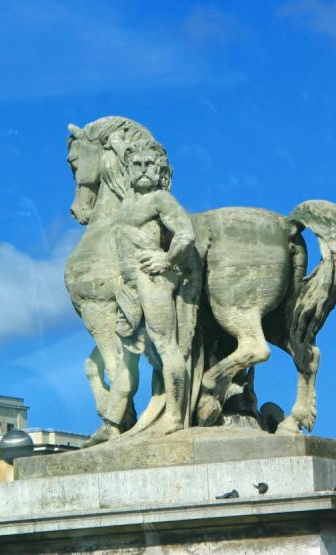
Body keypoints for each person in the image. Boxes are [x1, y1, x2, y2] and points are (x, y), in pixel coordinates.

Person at [86, 139, 200, 444]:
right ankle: (112, 422)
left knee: (166, 347)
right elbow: (119, 153)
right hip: (130, 285)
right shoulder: (127, 201)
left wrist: (166, 258)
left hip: (153, 281)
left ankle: (175, 417)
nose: (143, 170)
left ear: (160, 168)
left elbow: (186, 232)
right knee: (127, 355)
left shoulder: (160, 199)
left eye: (150, 165)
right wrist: (113, 141)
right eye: (137, 165)